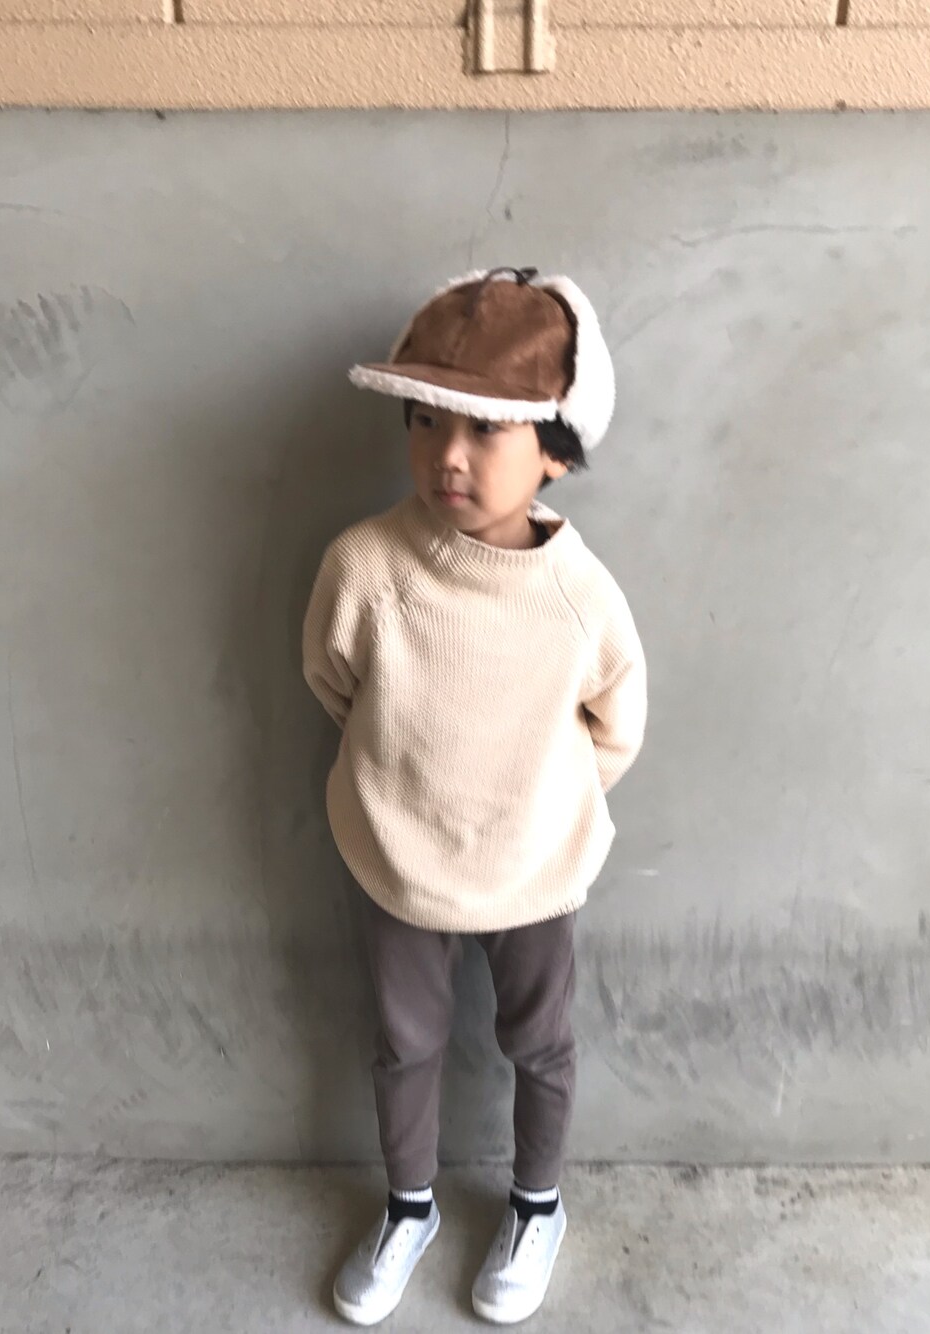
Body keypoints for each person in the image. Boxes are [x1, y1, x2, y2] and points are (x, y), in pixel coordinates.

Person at [302, 266, 647, 1326]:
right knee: (403, 1041)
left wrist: (536, 802)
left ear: (555, 450)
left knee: (539, 1041)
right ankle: (408, 1206)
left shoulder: (580, 597)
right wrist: (407, 784)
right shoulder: (367, 565)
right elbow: (332, 679)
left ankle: (537, 1205)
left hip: (536, 867)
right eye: (425, 420)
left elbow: (616, 724)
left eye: (486, 429)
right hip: (398, 860)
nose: (447, 455)